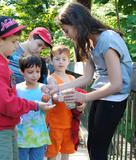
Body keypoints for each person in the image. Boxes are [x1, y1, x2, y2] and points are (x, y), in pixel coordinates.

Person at [43, 2, 133, 160]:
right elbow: (86, 77)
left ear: (77, 23)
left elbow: (117, 84)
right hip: (101, 95)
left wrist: (84, 97)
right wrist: (57, 88)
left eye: (66, 30)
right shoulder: (89, 43)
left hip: (114, 98)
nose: (65, 35)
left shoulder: (108, 39)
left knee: (98, 150)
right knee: (93, 146)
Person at [0, 16, 54, 160]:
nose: (17, 45)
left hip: (7, 127)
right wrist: (35, 105)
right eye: (13, 41)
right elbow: (6, 103)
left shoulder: (1, 64)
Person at [45, 44, 84, 160]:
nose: (60, 62)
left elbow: (79, 95)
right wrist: (59, 96)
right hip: (55, 122)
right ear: (51, 61)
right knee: (52, 152)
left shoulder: (72, 78)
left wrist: (82, 103)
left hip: (69, 121)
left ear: (68, 61)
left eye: (64, 59)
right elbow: (54, 95)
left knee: (66, 151)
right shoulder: (51, 78)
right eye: (57, 59)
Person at [16, 55, 52, 160]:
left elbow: (48, 106)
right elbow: (14, 108)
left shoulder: (43, 88)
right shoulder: (17, 89)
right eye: (30, 72)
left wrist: (46, 102)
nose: (35, 75)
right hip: (21, 134)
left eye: (37, 71)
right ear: (22, 72)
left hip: (39, 134)